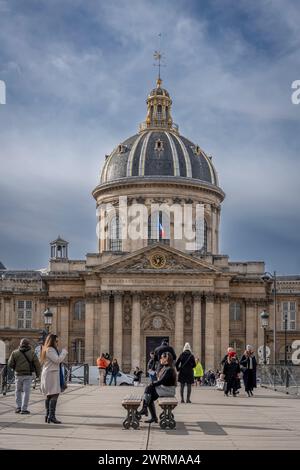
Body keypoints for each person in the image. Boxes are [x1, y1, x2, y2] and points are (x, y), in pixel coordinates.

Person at [137, 352, 177, 423]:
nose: (160, 359)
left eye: (162, 357)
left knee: (149, 389)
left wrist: (152, 384)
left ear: (166, 359)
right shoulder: (166, 367)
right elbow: (160, 381)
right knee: (150, 396)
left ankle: (145, 409)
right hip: (165, 388)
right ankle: (151, 415)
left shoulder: (169, 369)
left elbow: (161, 381)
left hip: (168, 390)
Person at [8, 338, 41, 414]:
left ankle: (18, 407)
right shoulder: (32, 353)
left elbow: (10, 364)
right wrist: (38, 374)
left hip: (18, 375)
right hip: (28, 375)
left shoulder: (14, 353)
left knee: (17, 391)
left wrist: (15, 368)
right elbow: (37, 365)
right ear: (28, 345)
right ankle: (24, 409)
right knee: (26, 392)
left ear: (20, 344)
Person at [40, 334, 68, 424]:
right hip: (51, 374)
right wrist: (64, 352)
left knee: (49, 395)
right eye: (56, 341)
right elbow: (57, 360)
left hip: (50, 373)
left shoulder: (47, 349)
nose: (57, 343)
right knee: (54, 394)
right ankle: (51, 416)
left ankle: (48, 416)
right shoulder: (50, 350)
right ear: (52, 341)